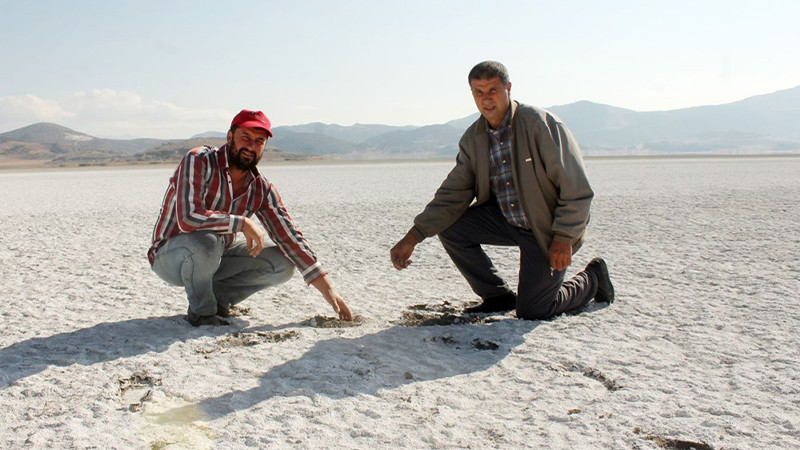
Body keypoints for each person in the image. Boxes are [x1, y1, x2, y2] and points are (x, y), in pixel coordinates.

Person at [390, 61, 614, 320]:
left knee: (534, 311)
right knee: (451, 226)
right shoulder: (474, 138)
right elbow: (453, 193)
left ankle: (593, 279)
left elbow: (576, 188)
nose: (487, 99)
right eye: (479, 92)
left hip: (546, 230)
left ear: (508, 88)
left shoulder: (540, 125)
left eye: (493, 90)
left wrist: (564, 237)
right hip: (506, 220)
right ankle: (497, 296)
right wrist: (413, 236)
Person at [148, 109, 352, 326]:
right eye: (245, 138)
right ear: (229, 137)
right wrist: (241, 222)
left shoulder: (260, 187)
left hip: (217, 256)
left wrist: (328, 290)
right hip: (171, 256)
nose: (251, 146)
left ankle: (218, 300)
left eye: (259, 141)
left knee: (282, 261)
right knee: (208, 241)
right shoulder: (199, 160)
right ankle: (202, 313)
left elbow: (289, 236)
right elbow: (188, 218)